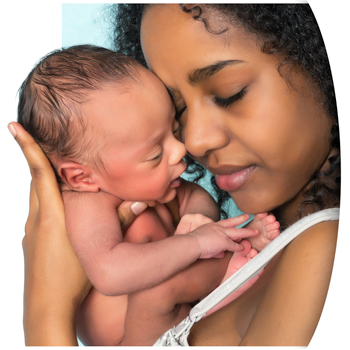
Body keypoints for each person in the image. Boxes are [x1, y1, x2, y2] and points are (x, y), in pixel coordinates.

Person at [9, 2, 340, 346]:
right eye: (181, 108)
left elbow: (190, 202)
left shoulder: (321, 248)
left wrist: (45, 315)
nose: (192, 141)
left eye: (230, 93)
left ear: (322, 66)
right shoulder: (102, 201)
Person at [16, 44, 279, 346]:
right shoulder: (86, 203)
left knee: (168, 278)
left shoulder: (145, 183)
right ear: (82, 177)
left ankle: (232, 263)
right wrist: (194, 243)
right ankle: (234, 264)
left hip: (179, 308)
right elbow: (109, 272)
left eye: (174, 128)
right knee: (153, 289)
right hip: (136, 336)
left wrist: (201, 218)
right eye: (155, 154)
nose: (180, 149)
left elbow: (193, 196)